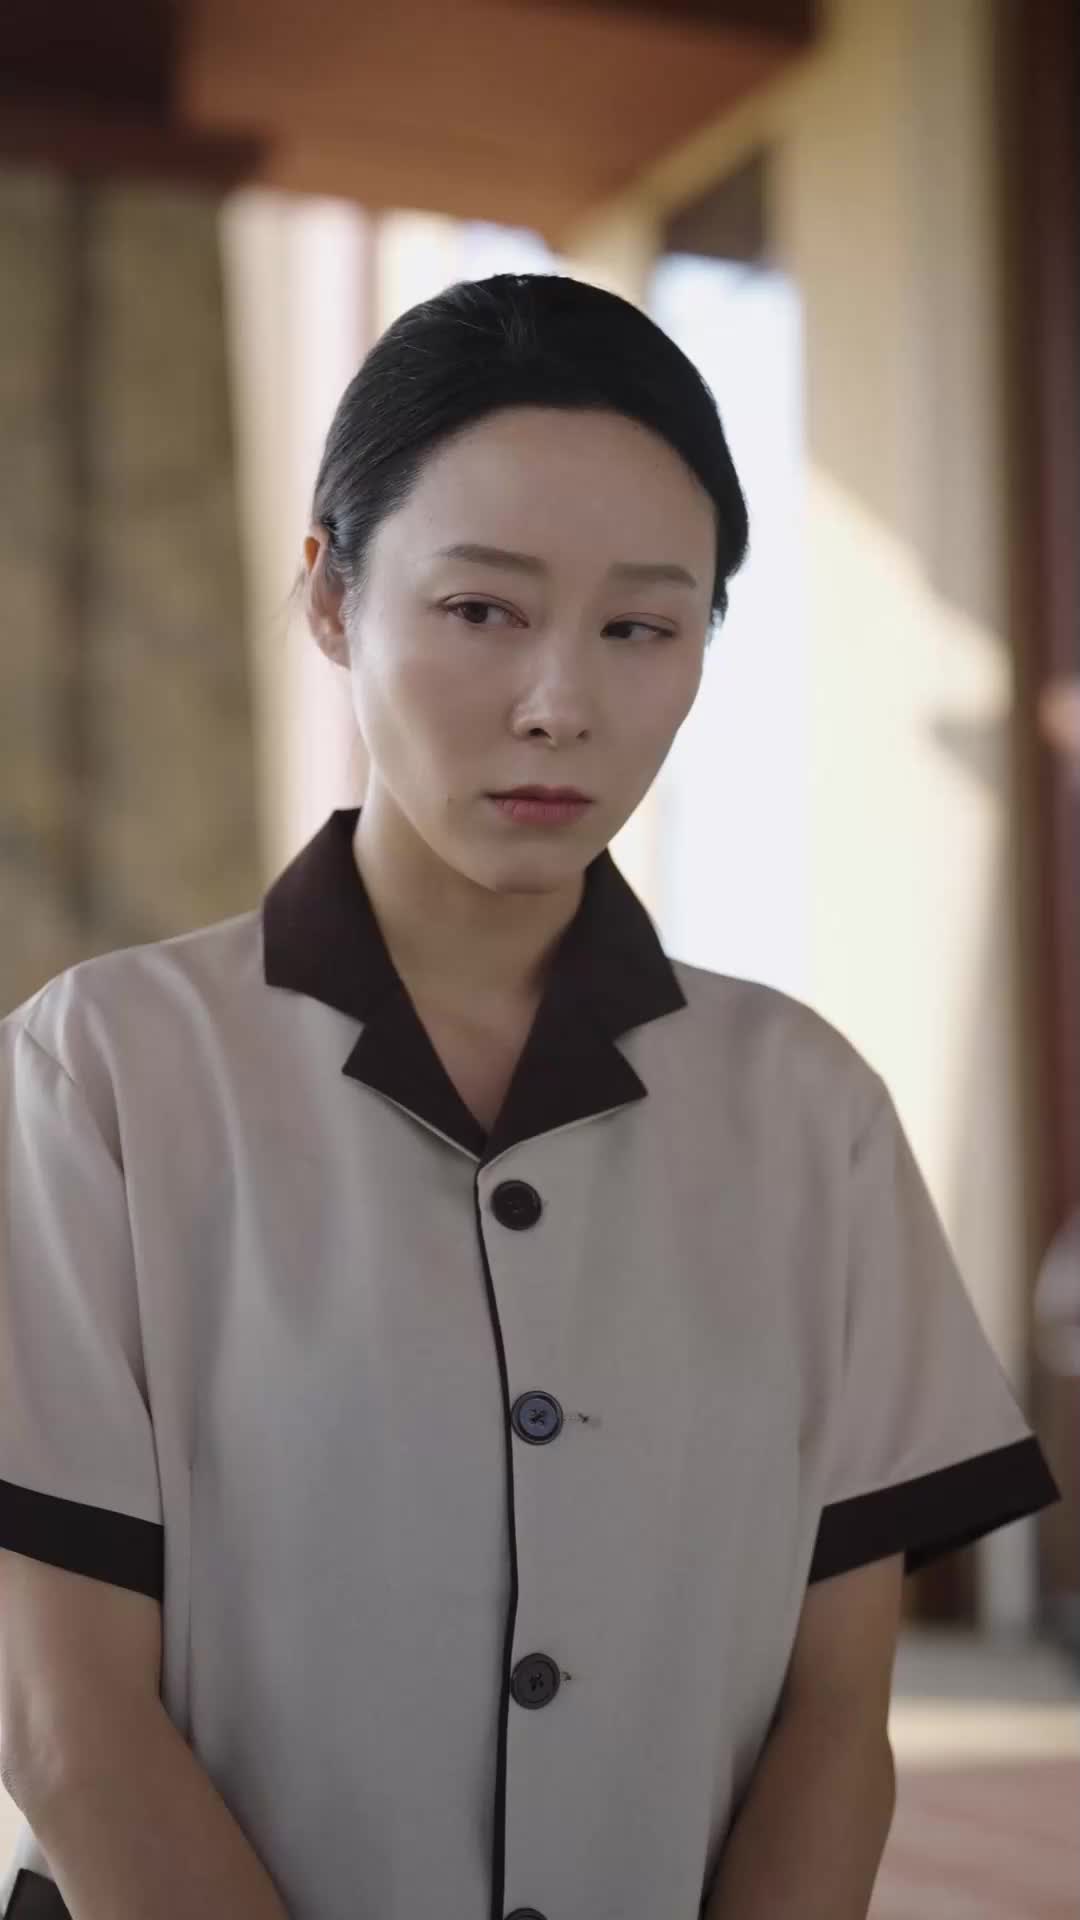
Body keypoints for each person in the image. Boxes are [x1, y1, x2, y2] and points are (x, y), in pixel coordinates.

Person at [0, 274, 1061, 1920]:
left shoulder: (812, 1118)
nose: (561, 701)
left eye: (642, 627)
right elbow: (66, 1729)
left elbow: (836, 1721)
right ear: (332, 598)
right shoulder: (101, 1076)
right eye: (484, 609)